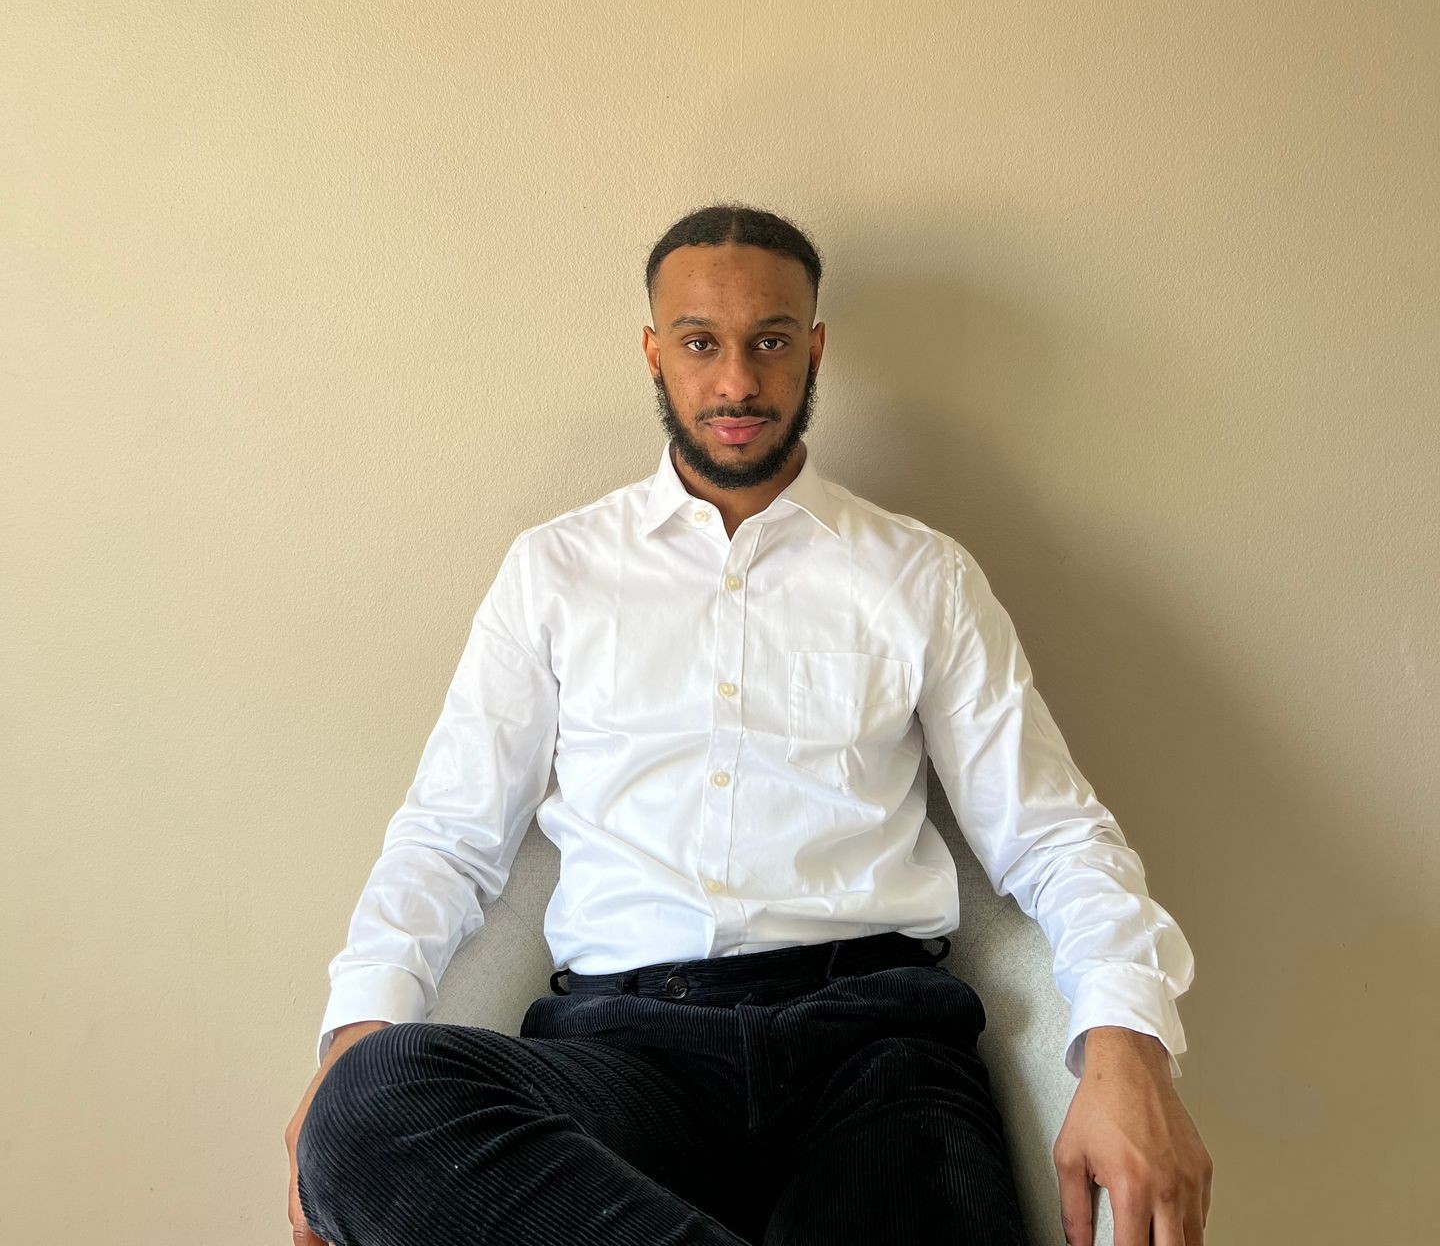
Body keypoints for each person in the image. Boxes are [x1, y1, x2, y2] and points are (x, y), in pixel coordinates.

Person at [286, 202, 1212, 1246]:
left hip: (872, 1057)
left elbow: (1051, 834)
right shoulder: (554, 573)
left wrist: (1130, 1042)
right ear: (653, 352)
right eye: (701, 343)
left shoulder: (919, 575)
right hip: (622, 1054)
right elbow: (449, 833)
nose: (737, 381)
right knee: (366, 1104)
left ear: (813, 349)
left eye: (771, 342)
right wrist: (354, 1040)